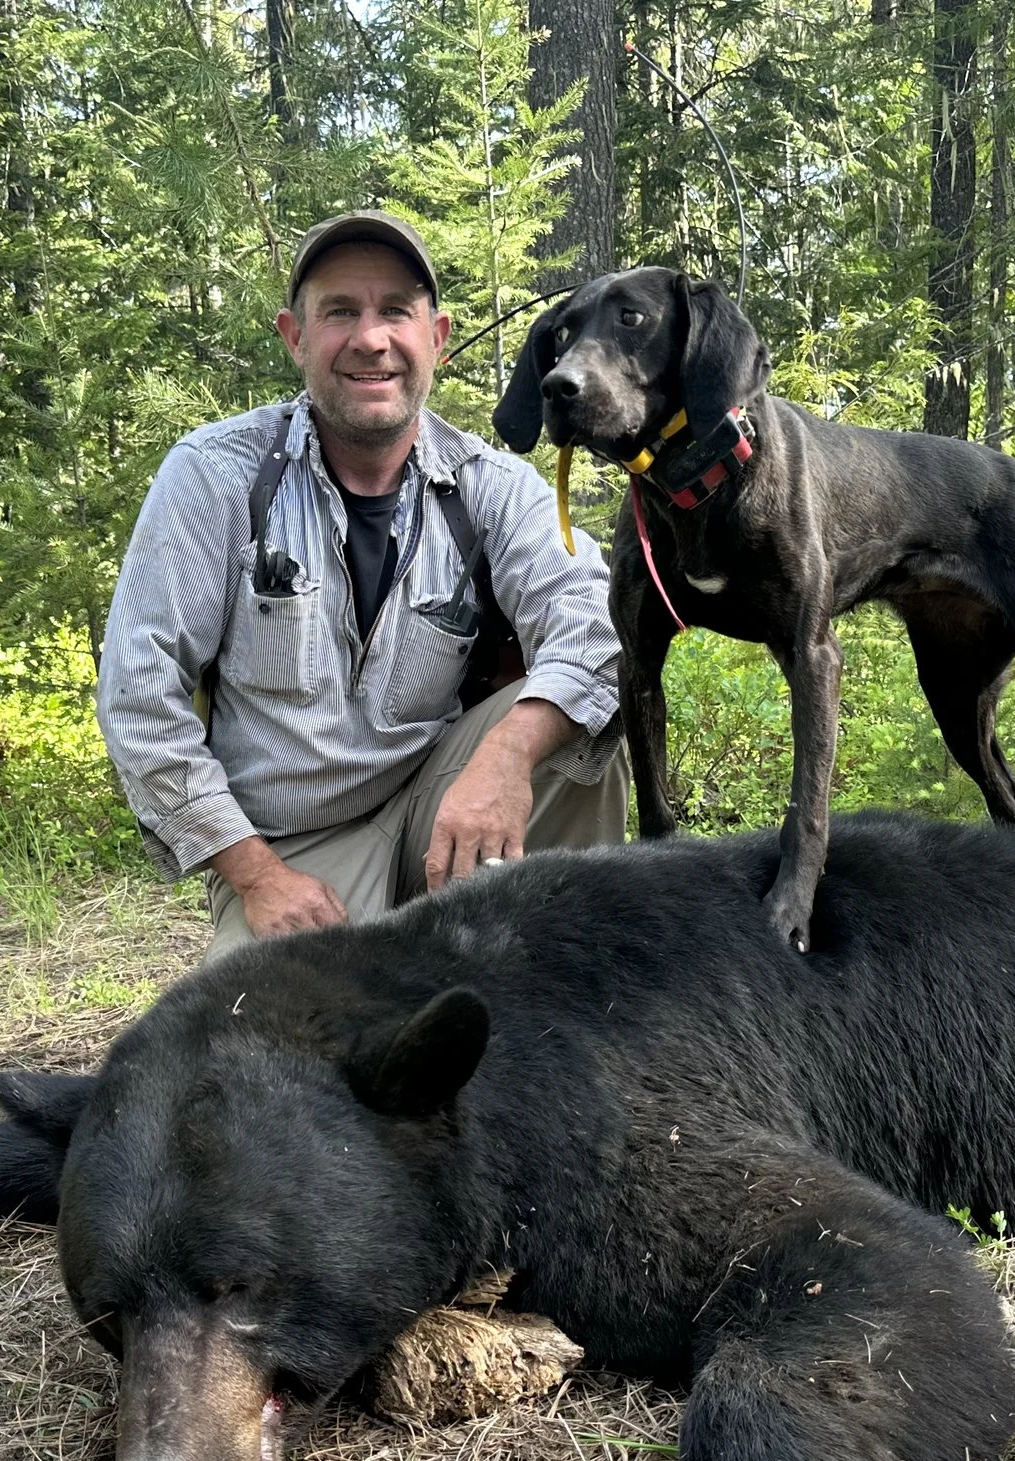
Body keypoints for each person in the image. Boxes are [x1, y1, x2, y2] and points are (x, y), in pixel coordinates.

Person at [99, 210, 627, 957]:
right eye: (340, 312)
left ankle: (553, 999)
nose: (371, 339)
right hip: (290, 846)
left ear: (435, 337)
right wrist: (255, 876)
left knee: (571, 741)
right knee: (278, 1052)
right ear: (296, 336)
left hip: (441, 802)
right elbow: (137, 698)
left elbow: (597, 628)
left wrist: (506, 755)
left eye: (395, 312)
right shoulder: (216, 476)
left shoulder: (491, 487)